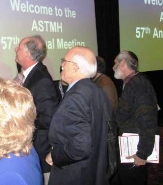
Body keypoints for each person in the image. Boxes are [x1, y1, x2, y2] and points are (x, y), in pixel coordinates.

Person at [46, 46, 111, 185]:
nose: (62, 65)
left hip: (74, 175)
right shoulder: (97, 91)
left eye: (64, 61)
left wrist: (55, 155)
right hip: (92, 171)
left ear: (75, 67)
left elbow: (80, 146)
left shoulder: (76, 96)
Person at [15, 35, 59, 184]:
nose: (15, 49)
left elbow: (49, 118)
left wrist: (21, 120)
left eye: (19, 47)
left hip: (41, 152)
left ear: (27, 54)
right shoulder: (31, 75)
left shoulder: (41, 80)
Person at [113, 50, 158, 185]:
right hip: (131, 144)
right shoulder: (132, 82)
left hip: (135, 148)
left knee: (133, 179)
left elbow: (147, 120)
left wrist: (142, 153)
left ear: (123, 63)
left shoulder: (138, 85)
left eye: (115, 62)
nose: (113, 66)